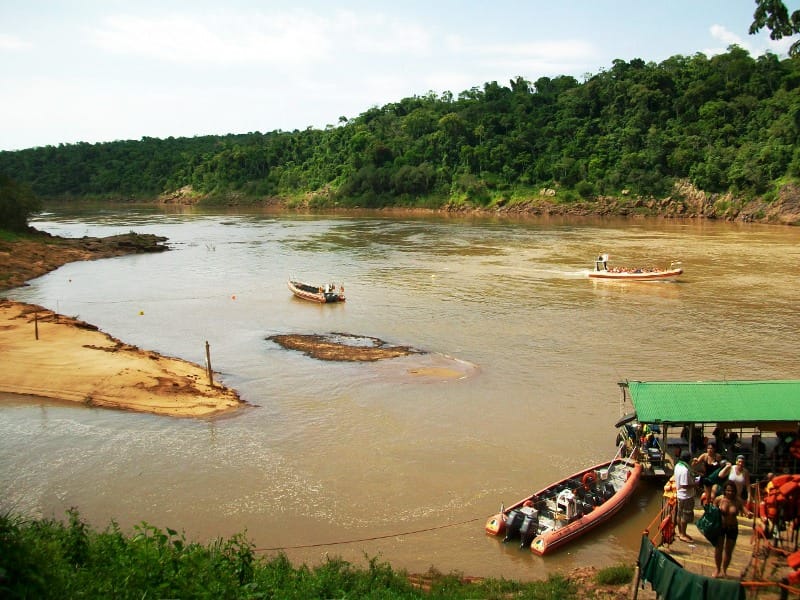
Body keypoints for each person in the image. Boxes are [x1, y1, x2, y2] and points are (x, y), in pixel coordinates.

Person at [712, 481, 750, 578]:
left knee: (728, 551)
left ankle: (724, 570)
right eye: (728, 490)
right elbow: (712, 511)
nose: (730, 492)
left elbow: (744, 509)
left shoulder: (737, 501)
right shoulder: (719, 499)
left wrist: (748, 513)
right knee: (718, 549)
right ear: (725, 490)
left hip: (732, 528)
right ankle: (717, 569)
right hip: (721, 527)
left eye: (732, 491)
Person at [674, 450, 699, 543]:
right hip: (686, 496)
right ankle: (683, 534)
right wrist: (695, 484)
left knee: (679, 514)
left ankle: (680, 532)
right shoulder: (685, 470)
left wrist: (693, 464)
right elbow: (684, 485)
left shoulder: (678, 466)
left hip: (680, 495)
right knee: (686, 515)